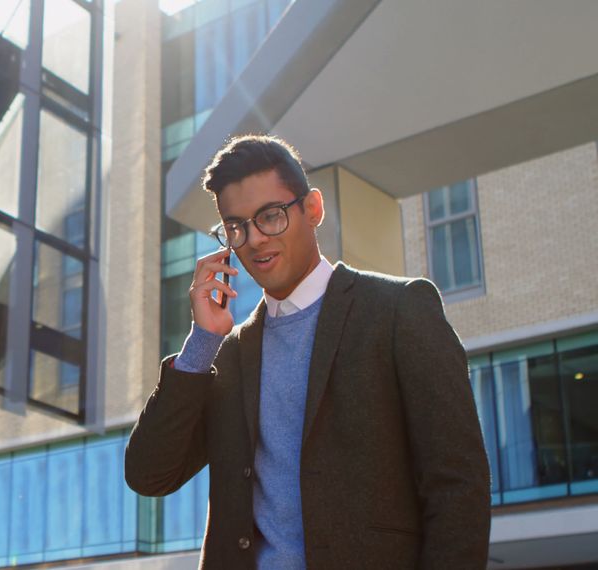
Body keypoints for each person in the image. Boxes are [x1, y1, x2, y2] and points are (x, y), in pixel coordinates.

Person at [125, 134, 491, 568]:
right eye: (236, 226)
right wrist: (202, 340)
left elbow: (458, 484)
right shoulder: (227, 356)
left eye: (271, 216)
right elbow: (149, 474)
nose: (255, 239)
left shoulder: (398, 311)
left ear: (312, 209)